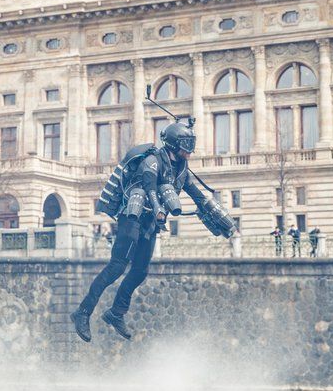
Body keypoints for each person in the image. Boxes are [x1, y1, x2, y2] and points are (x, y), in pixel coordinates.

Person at [71, 120, 234, 342]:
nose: (190, 150)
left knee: (140, 270)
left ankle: (116, 313)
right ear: (175, 144)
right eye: (186, 144)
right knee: (117, 267)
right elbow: (149, 187)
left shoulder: (181, 169)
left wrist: (215, 212)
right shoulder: (152, 160)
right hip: (133, 218)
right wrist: (159, 210)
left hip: (150, 224)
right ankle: (82, 312)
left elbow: (196, 193)